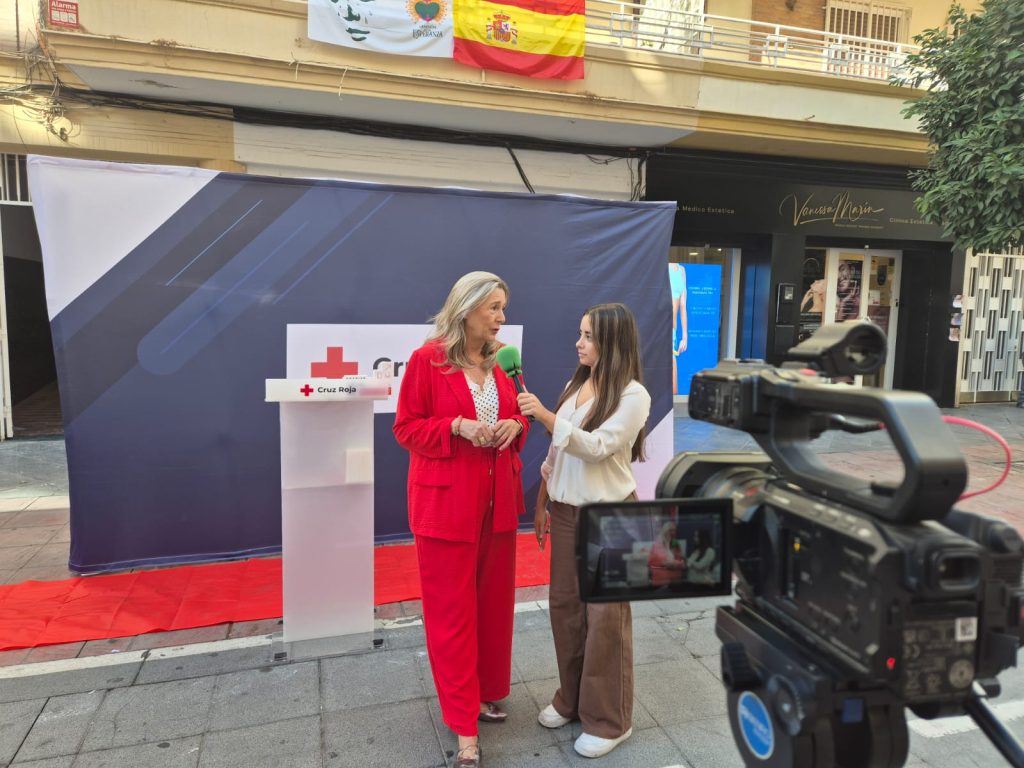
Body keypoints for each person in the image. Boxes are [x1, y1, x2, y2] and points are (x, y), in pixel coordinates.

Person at [393, 271, 530, 768]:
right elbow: (405, 428)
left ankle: (487, 693)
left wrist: (516, 424)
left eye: (502, 307)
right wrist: (455, 426)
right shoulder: (428, 360)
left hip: (497, 505)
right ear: (466, 308)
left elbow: (524, 415)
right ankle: (463, 727)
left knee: (492, 607)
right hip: (446, 509)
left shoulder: (501, 361)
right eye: (493, 307)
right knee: (452, 617)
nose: (501, 317)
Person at [518, 302, 651, 759]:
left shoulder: (634, 395)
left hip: (611, 518)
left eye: (588, 335)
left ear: (612, 341)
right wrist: (542, 503)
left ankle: (609, 720)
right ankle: (572, 700)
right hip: (568, 514)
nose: (579, 342)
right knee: (566, 610)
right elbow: (557, 457)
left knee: (606, 620)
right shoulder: (576, 385)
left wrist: (544, 416)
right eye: (580, 333)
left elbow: (596, 448)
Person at [648, 519, 686, 587]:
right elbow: (651, 563)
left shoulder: (676, 544)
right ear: (665, 531)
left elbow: (681, 562)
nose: (673, 533)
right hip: (661, 581)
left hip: (675, 581)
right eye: (671, 530)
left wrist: (677, 564)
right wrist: (663, 563)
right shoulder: (657, 545)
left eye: (674, 530)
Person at [669, 263, 688, 395]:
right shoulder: (660, 266)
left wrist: (685, 337)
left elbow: (683, 305)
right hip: (661, 329)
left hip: (672, 332)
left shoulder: (681, 270)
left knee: (671, 375)